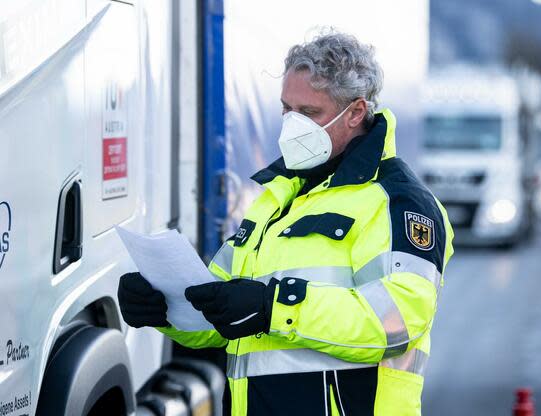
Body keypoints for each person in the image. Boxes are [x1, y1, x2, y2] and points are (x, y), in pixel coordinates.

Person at [118, 31, 454, 415]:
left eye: (309, 113)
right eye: (286, 109)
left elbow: (398, 322)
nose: (293, 124)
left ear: (357, 112)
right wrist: (164, 307)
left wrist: (276, 306)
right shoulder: (277, 199)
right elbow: (221, 314)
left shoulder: (397, 201)